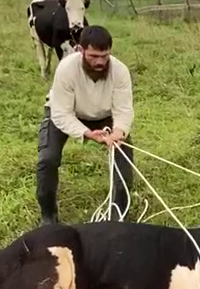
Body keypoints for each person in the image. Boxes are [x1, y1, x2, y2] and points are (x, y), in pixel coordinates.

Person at [35, 24, 134, 225]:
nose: (99, 62)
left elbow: (123, 109)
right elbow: (62, 113)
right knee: (47, 159)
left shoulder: (120, 71)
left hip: (105, 115)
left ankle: (118, 215)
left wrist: (119, 131)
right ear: (80, 50)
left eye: (104, 56)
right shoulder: (66, 69)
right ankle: (48, 217)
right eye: (93, 56)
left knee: (124, 161)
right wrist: (87, 133)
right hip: (65, 112)